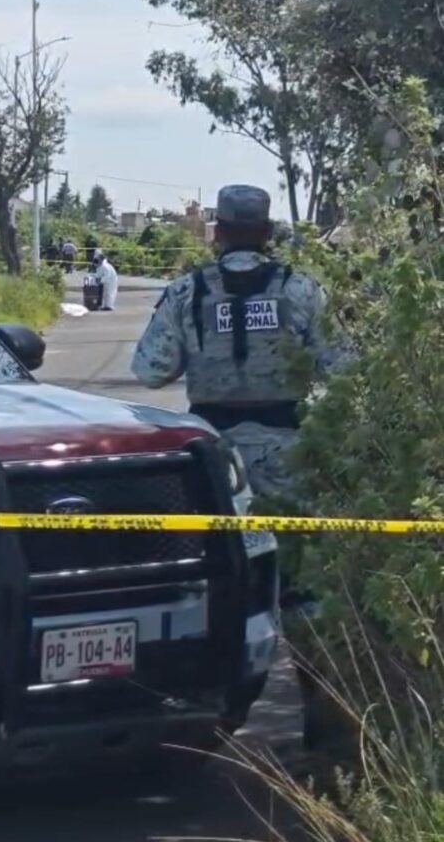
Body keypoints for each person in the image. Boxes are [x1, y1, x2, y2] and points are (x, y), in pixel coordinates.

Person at [131, 184, 348, 746]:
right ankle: (321, 725)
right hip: (286, 456)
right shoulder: (301, 289)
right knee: (301, 588)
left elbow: (150, 369)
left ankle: (201, 719)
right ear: (269, 233)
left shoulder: (187, 291)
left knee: (211, 581)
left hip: (214, 465)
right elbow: (345, 366)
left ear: (218, 233)